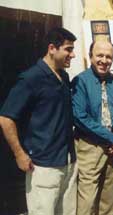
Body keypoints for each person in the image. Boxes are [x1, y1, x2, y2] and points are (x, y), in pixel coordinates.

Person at [0, 27, 77, 215]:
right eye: (68, 49)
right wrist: (19, 154)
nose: (73, 55)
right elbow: (6, 118)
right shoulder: (31, 78)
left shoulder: (64, 77)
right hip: (43, 165)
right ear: (52, 48)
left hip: (68, 162)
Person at [72, 40, 113, 215]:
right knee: (87, 199)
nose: (104, 60)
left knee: (109, 197)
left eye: (108, 57)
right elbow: (80, 117)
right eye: (100, 55)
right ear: (90, 56)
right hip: (90, 146)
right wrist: (111, 138)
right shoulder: (81, 81)